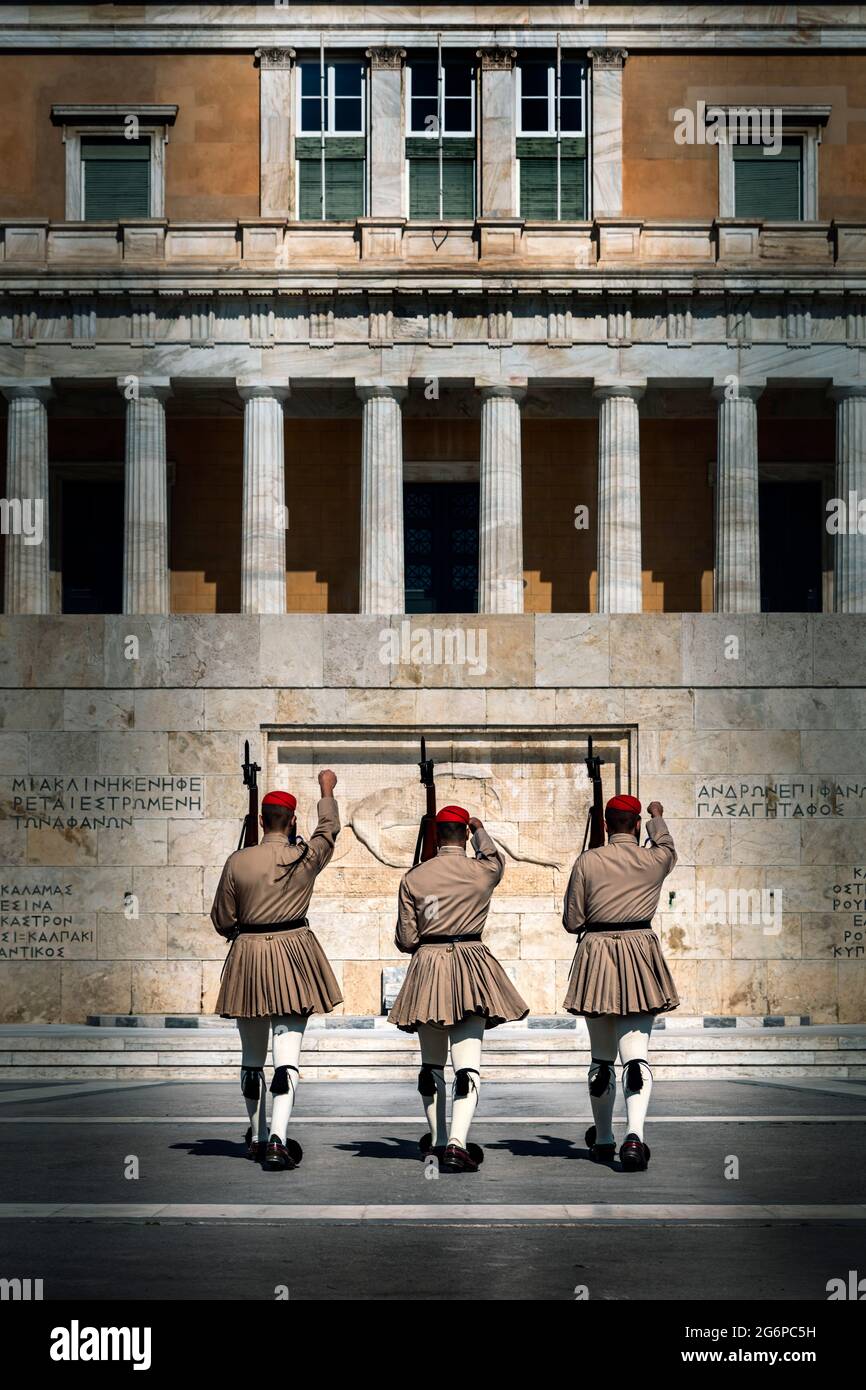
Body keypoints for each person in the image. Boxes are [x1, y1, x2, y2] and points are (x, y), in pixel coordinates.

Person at [211, 770, 342, 1171]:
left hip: (248, 957)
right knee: (286, 1058)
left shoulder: (237, 861)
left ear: (261, 821)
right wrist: (326, 789)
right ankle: (277, 1141)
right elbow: (330, 829)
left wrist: (246, 930)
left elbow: (221, 918)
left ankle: (255, 1135)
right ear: (292, 822)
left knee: (251, 1058)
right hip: (291, 957)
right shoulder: (303, 857)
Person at [389, 805, 529, 1173]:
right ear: (464, 834)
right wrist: (480, 829)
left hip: (429, 969)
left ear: (435, 836)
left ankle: (436, 1139)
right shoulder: (482, 872)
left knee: (431, 1065)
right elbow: (495, 858)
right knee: (467, 1067)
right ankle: (456, 1144)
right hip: (471, 967)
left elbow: (406, 938)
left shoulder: (414, 878)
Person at [562, 794, 679, 1172]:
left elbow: (572, 921)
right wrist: (656, 818)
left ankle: (604, 1138)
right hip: (640, 956)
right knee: (636, 1055)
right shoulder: (654, 859)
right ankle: (634, 1137)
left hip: (596, 955)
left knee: (601, 1058)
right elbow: (667, 846)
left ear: (607, 826)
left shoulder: (588, 861)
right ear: (635, 825)